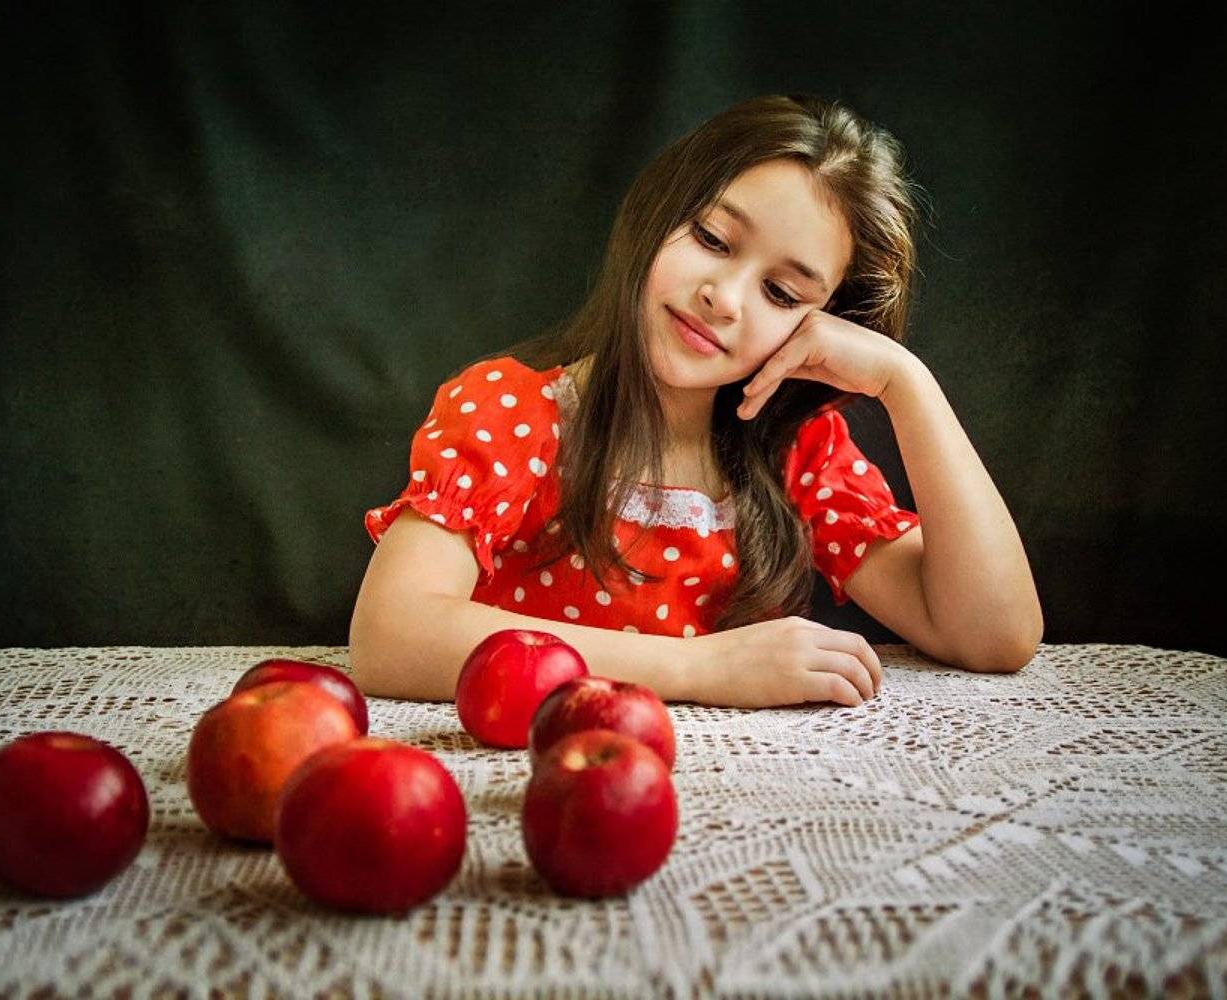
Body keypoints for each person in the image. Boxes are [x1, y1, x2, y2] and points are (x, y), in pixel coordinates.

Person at [350, 94, 1042, 709]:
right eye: (712, 239)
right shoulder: (512, 412)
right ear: (656, 214)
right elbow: (390, 636)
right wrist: (697, 668)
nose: (724, 297)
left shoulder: (796, 452)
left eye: (782, 293)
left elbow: (995, 635)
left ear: (824, 321)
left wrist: (905, 384)